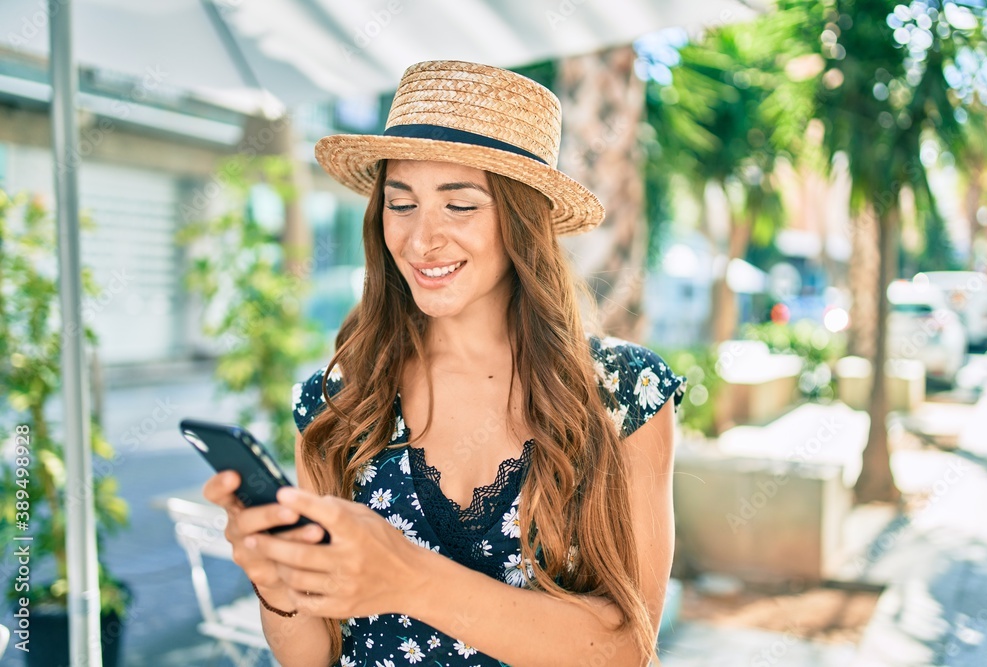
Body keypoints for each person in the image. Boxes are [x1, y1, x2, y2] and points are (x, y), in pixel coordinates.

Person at [203, 59, 686, 667]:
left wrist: (407, 577)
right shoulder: (339, 406)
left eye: (459, 206)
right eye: (400, 205)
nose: (420, 238)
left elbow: (625, 650)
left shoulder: (622, 394)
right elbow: (311, 657)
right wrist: (276, 585)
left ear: (521, 221)